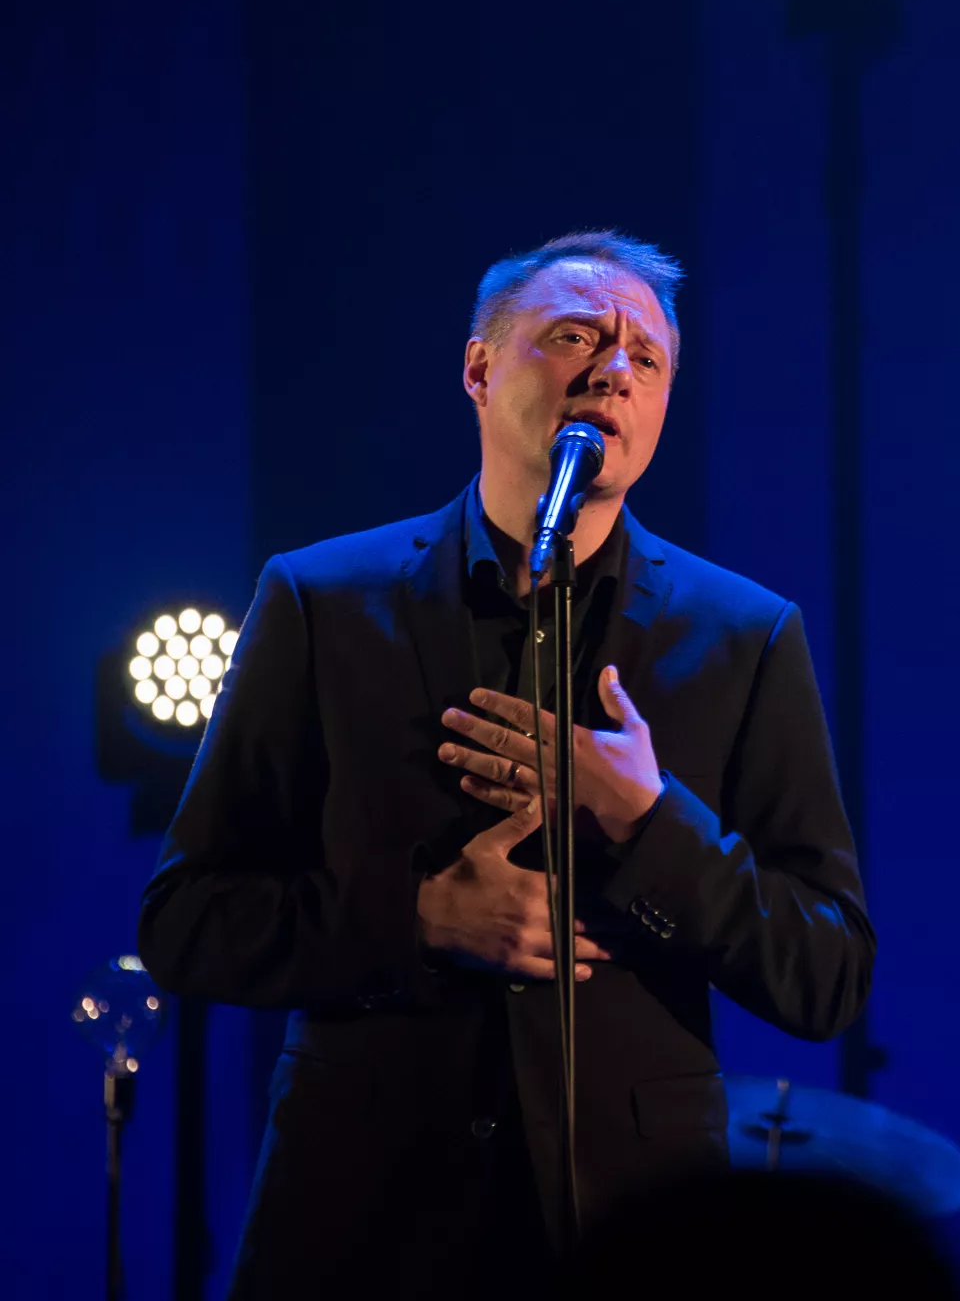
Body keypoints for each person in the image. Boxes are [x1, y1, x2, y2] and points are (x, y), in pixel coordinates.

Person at [138, 230, 875, 1299]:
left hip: (636, 1228)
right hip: (362, 1224)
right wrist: (419, 920)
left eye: (644, 358)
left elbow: (830, 971)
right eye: (572, 334)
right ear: (480, 369)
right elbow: (184, 919)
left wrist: (651, 821)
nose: (609, 369)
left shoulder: (743, 635)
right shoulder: (323, 601)